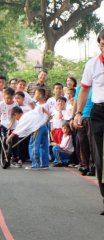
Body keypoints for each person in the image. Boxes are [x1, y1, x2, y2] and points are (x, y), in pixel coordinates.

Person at [74, 29, 104, 215]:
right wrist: (78, 113)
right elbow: (84, 91)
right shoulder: (92, 64)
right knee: (101, 159)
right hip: (99, 113)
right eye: (102, 44)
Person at [25, 89, 50, 170]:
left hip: (38, 127)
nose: (34, 95)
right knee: (43, 145)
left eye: (35, 93)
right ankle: (44, 164)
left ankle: (35, 164)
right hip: (44, 126)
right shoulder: (41, 105)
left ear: (40, 95)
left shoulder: (40, 106)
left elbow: (48, 115)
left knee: (34, 145)